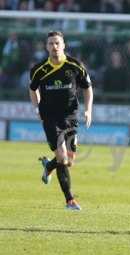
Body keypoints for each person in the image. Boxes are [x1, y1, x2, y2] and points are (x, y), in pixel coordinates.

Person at [29, 31, 93, 210]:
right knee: (63, 158)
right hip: (50, 117)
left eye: (57, 43)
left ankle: (49, 166)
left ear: (64, 45)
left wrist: (88, 110)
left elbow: (88, 88)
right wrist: (36, 107)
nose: (54, 47)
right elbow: (32, 89)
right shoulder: (39, 69)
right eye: (51, 44)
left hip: (70, 116)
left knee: (70, 160)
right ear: (46, 46)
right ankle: (70, 201)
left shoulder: (75, 65)